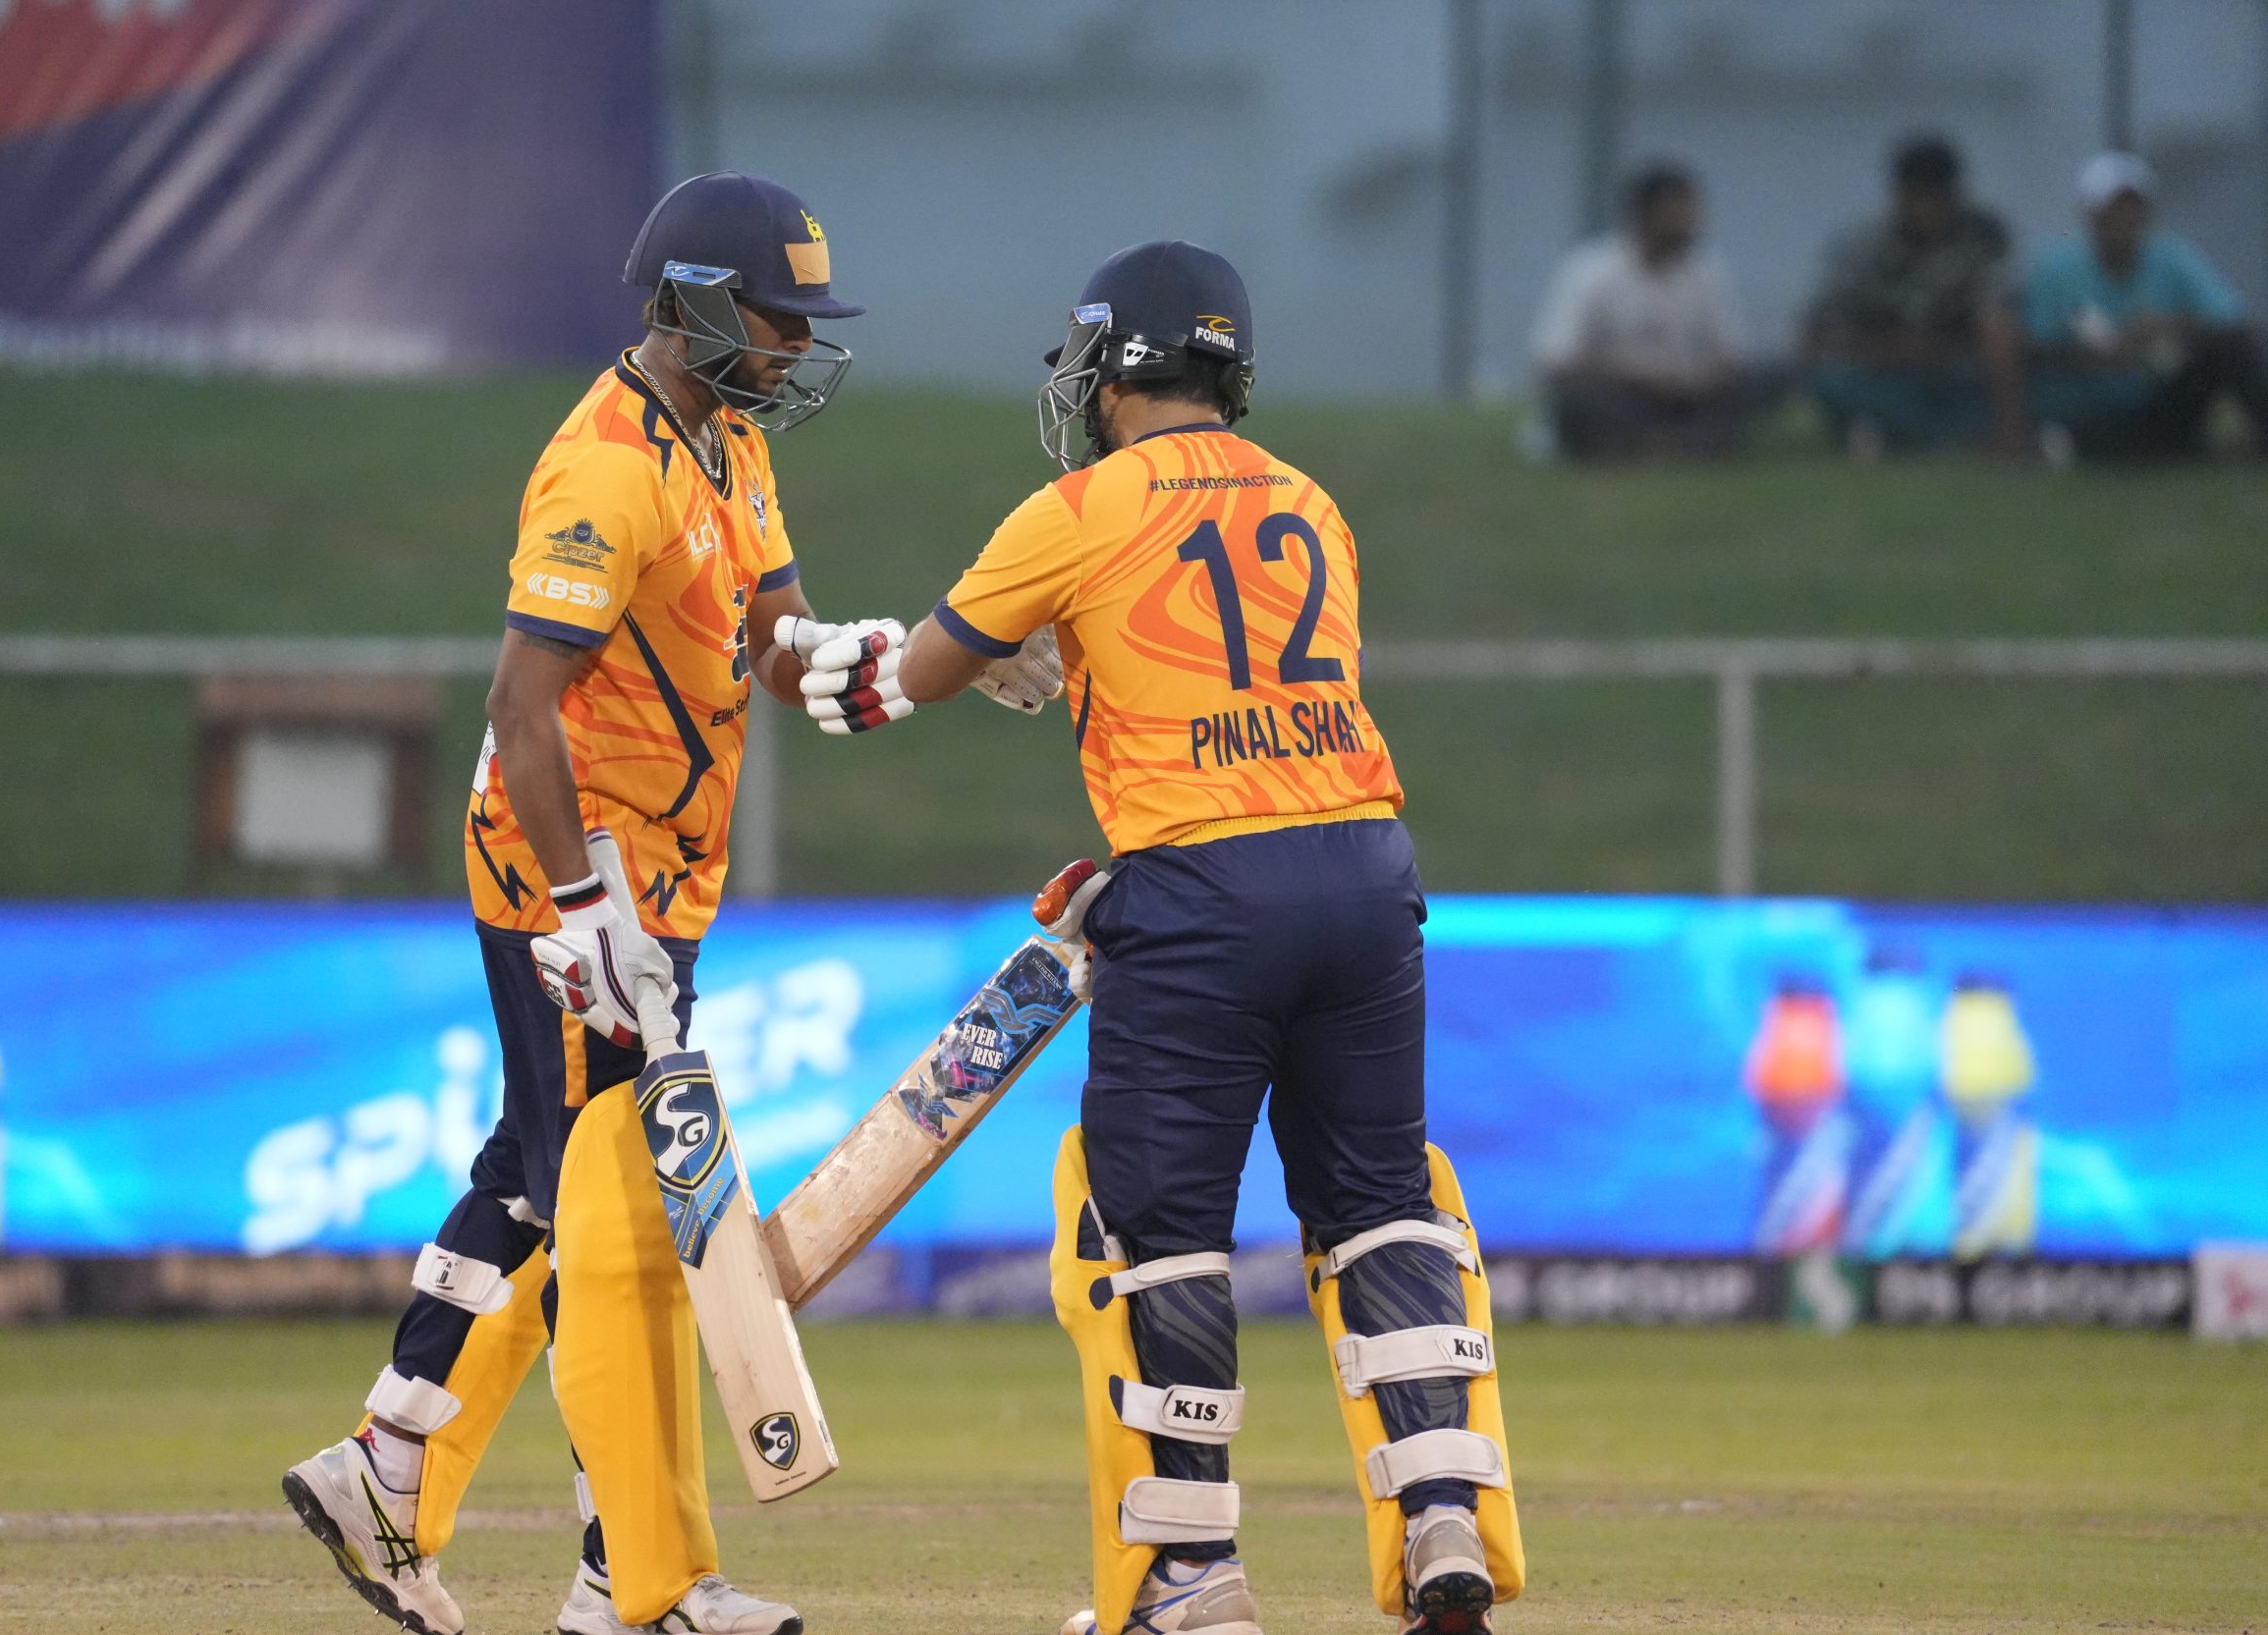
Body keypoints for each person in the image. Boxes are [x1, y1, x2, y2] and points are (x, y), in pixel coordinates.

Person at [849, 242, 1524, 1635]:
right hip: (1365, 872)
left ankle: (1189, 1571)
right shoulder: (1311, 501)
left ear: (1119, 368)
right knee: (1380, 1202)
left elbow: (918, 672)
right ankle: (1442, 1511)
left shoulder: (1076, 506)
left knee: (1157, 1230)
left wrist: (913, 657)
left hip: (1202, 892)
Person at [281, 171, 915, 1635]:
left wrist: (867, 659)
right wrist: (584, 909)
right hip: (571, 872)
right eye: (777, 318)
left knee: (539, 1174)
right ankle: (627, 1579)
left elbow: (772, 636)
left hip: (660, 876)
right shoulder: (605, 468)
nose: (796, 346)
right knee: (607, 1214)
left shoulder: (728, 441)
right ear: (695, 304)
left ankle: (388, 1462)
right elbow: (520, 704)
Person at [2021, 150, 2268, 463]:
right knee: (2080, 439)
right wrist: (2101, 355)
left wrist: (2171, 327)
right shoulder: (2055, 270)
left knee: (2230, 353)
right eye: (2115, 207)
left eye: (2134, 205)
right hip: (2090, 403)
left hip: (2160, 394)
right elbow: (2032, 349)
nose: (2126, 217)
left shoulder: (2173, 257)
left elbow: (2235, 327)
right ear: (2092, 214)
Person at [1529, 162, 1778, 459]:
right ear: (1643, 214)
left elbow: (1732, 354)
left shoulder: (1706, 271)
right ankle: (1682, 442)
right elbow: (1556, 361)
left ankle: (1668, 442)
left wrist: (1700, 380)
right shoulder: (1590, 271)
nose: (1690, 223)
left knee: (1770, 375)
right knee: (1579, 399)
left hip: (1691, 395)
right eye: (1677, 213)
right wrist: (1638, 378)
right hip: (1623, 395)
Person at [1803, 135, 2029, 456]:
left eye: (1935, 197)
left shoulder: (1984, 236)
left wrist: (1946, 345)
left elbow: (1998, 315)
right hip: (1888, 372)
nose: (1926, 208)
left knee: (2025, 375)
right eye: (1916, 196)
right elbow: (1819, 328)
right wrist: (1891, 347)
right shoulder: (1865, 245)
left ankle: (1987, 433)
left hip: (1960, 369)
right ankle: (1945, 436)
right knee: (1834, 382)